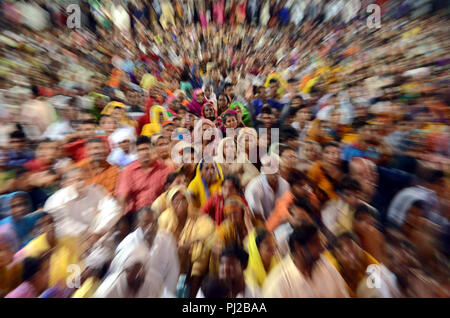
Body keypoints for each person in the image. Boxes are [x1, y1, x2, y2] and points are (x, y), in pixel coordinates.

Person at [158, 186, 215, 298]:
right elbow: (161, 238)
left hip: (190, 254)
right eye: (176, 201)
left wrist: (189, 244)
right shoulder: (165, 218)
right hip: (171, 253)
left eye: (184, 199)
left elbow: (208, 228)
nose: (181, 204)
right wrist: (175, 248)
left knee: (201, 247)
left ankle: (193, 293)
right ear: (171, 203)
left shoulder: (195, 215)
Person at [263, 224, 349, 298]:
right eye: (316, 243)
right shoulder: (278, 283)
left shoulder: (324, 264)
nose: (322, 248)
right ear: (298, 248)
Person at [110, 207, 180, 297]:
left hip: (161, 293)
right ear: (137, 224)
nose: (151, 227)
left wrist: (164, 294)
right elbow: (120, 278)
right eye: (146, 223)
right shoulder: (127, 245)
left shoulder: (166, 240)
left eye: (154, 223)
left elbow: (173, 271)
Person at [116, 136, 174, 225]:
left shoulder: (165, 169)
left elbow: (172, 193)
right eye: (140, 150)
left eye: (147, 149)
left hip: (159, 214)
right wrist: (120, 220)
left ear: (153, 150)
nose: (144, 153)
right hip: (135, 216)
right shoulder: (129, 170)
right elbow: (122, 198)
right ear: (136, 153)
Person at [93, 244, 164, 298]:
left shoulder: (150, 285)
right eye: (135, 271)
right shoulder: (108, 290)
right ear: (125, 271)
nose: (138, 275)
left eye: (142, 270)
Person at [245, 154, 289, 221]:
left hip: (281, 225)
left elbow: (286, 209)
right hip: (261, 226)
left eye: (278, 167)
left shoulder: (285, 184)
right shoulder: (254, 188)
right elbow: (257, 215)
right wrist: (269, 230)